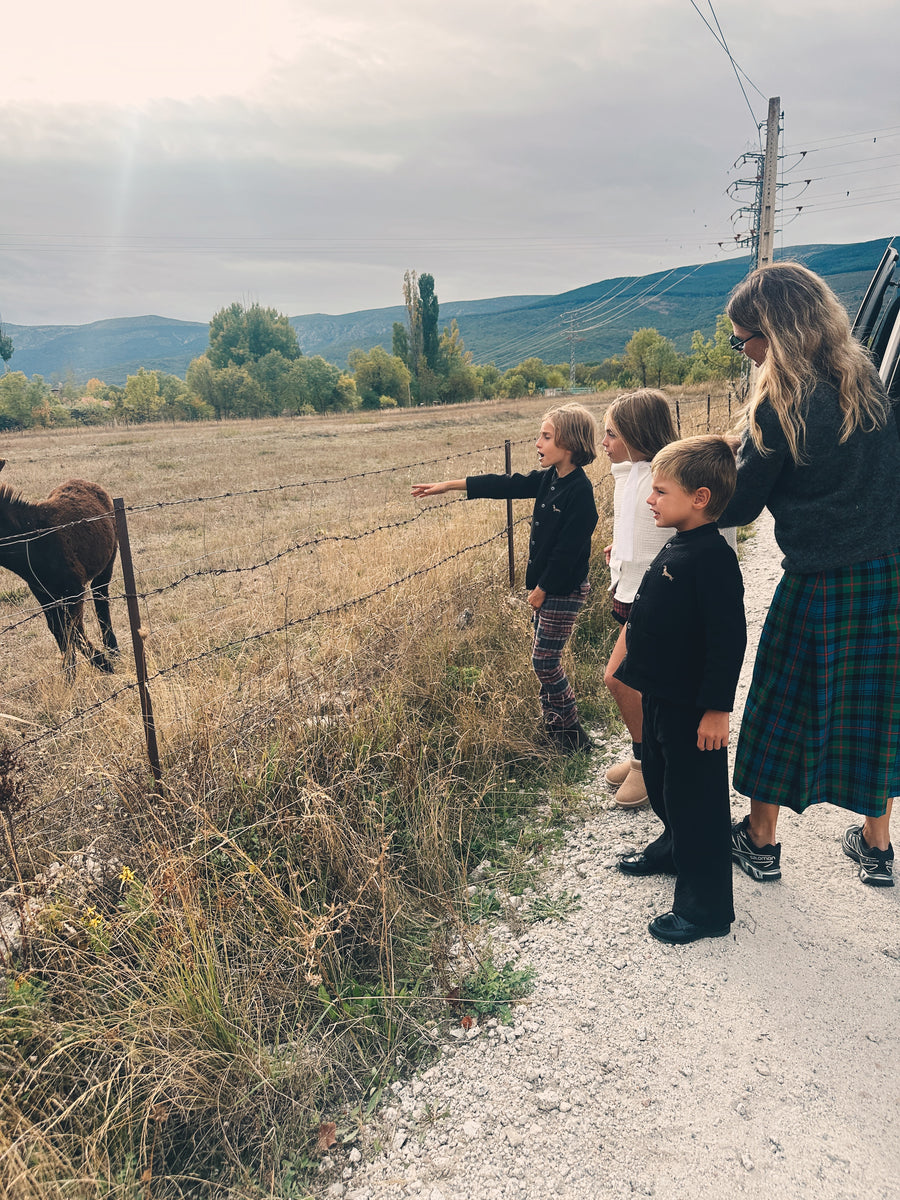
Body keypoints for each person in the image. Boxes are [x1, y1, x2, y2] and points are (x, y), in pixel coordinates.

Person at [722, 261, 900, 888]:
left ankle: (762, 841)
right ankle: (878, 849)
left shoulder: (781, 406)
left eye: (747, 339)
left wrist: (725, 458)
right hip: (885, 575)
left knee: (781, 708)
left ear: (778, 332)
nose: (745, 352)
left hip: (820, 581)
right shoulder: (871, 385)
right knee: (875, 709)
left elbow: (740, 506)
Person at [614, 436, 746, 944]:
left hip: (695, 707)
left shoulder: (713, 557)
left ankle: (705, 907)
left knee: (698, 802)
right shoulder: (679, 539)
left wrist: (716, 709)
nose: (650, 499)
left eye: (660, 491)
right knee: (666, 781)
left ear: (700, 498)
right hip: (663, 696)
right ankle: (674, 846)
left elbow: (728, 638)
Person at [411, 403, 598, 752]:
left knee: (544, 660)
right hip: (549, 588)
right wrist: (450, 485)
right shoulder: (549, 479)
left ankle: (572, 734)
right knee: (542, 658)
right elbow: (504, 484)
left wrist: (542, 590)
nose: (537, 443)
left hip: (563, 589)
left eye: (545, 436)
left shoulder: (579, 492)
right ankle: (556, 728)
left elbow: (568, 552)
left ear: (569, 444)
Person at [601, 390, 678, 808]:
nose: (604, 443)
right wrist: (621, 550)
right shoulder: (633, 474)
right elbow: (638, 528)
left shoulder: (663, 476)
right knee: (641, 682)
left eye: (611, 433)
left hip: (655, 595)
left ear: (634, 433)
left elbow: (669, 532)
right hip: (636, 590)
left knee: (619, 677)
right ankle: (645, 755)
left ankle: (646, 762)